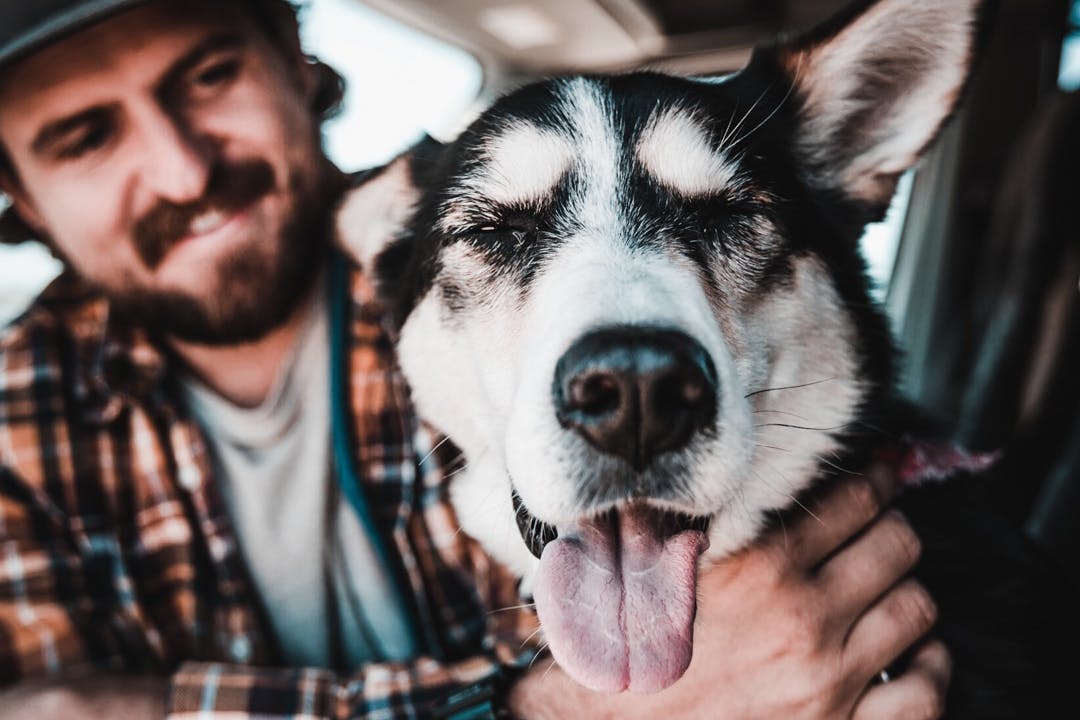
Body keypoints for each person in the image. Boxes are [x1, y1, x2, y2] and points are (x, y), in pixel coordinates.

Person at [0, 1, 949, 717]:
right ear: (25, 202)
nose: (183, 169)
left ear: (294, 60)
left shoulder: (422, 282)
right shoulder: (16, 427)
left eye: (208, 75)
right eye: (85, 136)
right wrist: (536, 709)